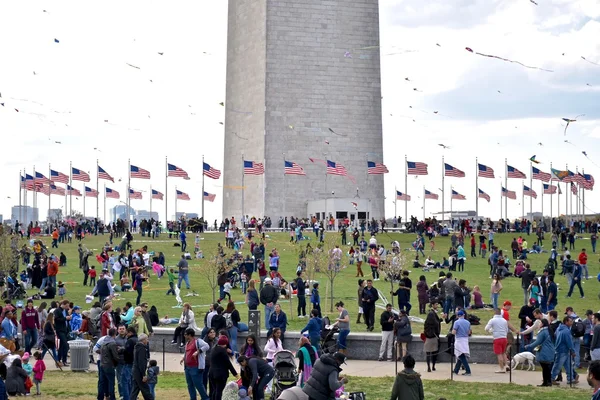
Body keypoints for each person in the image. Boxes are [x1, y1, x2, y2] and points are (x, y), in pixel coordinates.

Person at [485, 308, 517, 373]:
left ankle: (502, 368)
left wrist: (492, 330)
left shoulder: (492, 320)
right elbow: (506, 329)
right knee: (503, 353)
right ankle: (506, 366)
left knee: (499, 354)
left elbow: (486, 328)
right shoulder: (504, 320)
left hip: (497, 338)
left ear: (494, 313)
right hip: (504, 338)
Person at [525, 319, 554, 386]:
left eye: (540, 323)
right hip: (550, 350)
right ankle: (548, 382)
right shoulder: (550, 331)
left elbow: (537, 342)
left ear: (542, 324)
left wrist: (529, 346)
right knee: (547, 367)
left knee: (545, 367)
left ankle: (546, 382)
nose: (539, 324)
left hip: (544, 351)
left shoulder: (542, 332)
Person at [208, 336, 239, 400]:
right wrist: (235, 374)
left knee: (215, 390)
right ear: (225, 344)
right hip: (220, 375)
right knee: (219, 392)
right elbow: (228, 363)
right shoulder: (223, 351)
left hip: (212, 373)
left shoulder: (214, 349)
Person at [551, 317, 579, 385]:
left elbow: (554, 336)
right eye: (570, 321)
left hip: (560, 349)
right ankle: (551, 378)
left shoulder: (559, 329)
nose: (572, 323)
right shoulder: (566, 331)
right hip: (563, 350)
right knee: (558, 365)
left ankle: (570, 379)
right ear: (566, 322)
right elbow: (569, 342)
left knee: (568, 366)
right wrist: (573, 351)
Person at [100, 328, 119, 400]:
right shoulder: (112, 343)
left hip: (102, 364)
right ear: (115, 333)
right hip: (109, 365)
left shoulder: (104, 341)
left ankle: (102, 396)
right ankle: (112, 398)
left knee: (103, 382)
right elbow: (115, 356)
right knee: (111, 383)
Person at [452, 310, 472, 376]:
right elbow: (469, 332)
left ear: (458, 316)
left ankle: (468, 371)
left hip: (459, 340)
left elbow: (454, 332)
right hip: (465, 339)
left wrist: (452, 332)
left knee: (461, 355)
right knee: (461, 356)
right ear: (463, 315)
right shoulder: (468, 322)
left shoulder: (456, 322)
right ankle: (456, 370)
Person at [423, 301, 441, 372]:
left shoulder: (427, 322)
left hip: (428, 337)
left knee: (428, 354)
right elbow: (436, 325)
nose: (437, 305)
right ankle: (432, 366)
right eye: (436, 304)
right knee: (434, 353)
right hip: (433, 337)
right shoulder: (433, 317)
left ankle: (429, 367)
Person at [53, 300, 71, 366]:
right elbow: (56, 319)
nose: (67, 307)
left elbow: (67, 319)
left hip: (65, 330)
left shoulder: (66, 311)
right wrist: (65, 318)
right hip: (60, 330)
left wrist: (69, 318)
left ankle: (58, 360)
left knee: (61, 346)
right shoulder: (57, 311)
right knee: (65, 345)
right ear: (63, 304)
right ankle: (64, 360)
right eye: (66, 306)